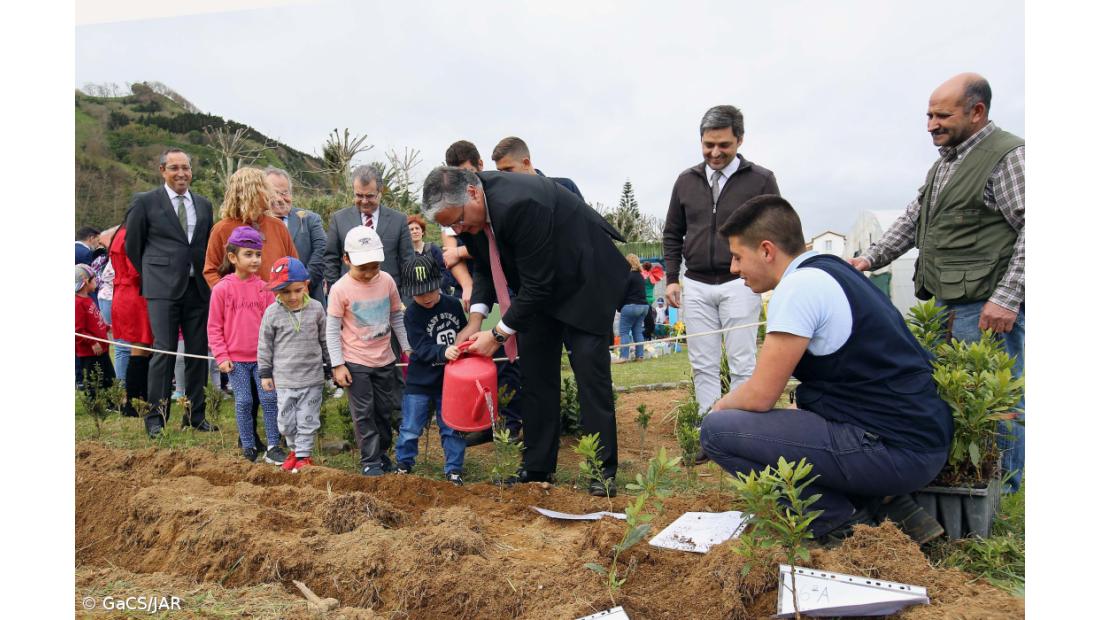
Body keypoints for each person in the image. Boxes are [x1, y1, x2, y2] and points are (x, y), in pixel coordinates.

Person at [702, 194, 951, 546]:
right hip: (919, 439)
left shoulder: (798, 289)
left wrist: (719, 407)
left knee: (718, 431)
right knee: (788, 420)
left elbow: (760, 395)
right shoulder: (832, 270)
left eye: (737, 256)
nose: (733, 268)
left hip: (897, 452)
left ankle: (839, 521)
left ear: (767, 250)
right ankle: (892, 507)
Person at [849, 73, 1025, 493]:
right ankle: (971, 484)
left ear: (977, 112)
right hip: (950, 303)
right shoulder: (946, 163)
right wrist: (869, 259)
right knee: (955, 397)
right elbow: (913, 220)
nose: (931, 124)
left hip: (986, 306)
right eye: (929, 115)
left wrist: (1007, 298)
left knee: (994, 405)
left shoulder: (1007, 157)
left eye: (942, 115)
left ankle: (1007, 493)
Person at [422, 166, 630, 495]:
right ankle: (537, 468)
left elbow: (538, 284)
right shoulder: (471, 214)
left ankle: (600, 473)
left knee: (591, 377)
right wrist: (476, 321)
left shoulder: (520, 203)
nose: (459, 229)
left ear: (473, 194)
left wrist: (499, 334)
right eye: (450, 226)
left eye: (458, 220)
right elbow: (485, 265)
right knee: (534, 375)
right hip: (541, 290)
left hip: (584, 281)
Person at [663, 105, 779, 413]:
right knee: (703, 364)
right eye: (708, 145)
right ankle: (710, 428)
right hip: (696, 284)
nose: (715, 153)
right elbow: (673, 232)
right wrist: (672, 278)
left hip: (741, 282)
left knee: (743, 362)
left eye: (723, 145)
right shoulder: (685, 181)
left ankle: (742, 430)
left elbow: (777, 231)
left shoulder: (761, 180)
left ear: (740, 140)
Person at [124, 148, 217, 437]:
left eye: (186, 168)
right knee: (163, 350)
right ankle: (156, 417)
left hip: (197, 288)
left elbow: (204, 244)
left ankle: (195, 415)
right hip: (162, 289)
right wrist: (156, 273)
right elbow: (133, 246)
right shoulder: (145, 202)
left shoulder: (204, 205)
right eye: (174, 167)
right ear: (162, 170)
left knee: (197, 352)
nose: (181, 173)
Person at [442, 141, 523, 443]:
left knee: (521, 360)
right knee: (500, 358)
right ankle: (495, 423)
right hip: (498, 298)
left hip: (527, 294)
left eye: (466, 174)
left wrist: (459, 252)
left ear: (478, 165)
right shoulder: (462, 215)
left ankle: (518, 424)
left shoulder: (504, 202)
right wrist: (476, 320)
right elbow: (484, 265)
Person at [327, 226, 412, 476]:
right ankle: (370, 460)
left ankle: (382, 453)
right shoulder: (340, 289)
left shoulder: (386, 281)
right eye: (362, 267)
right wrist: (338, 364)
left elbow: (397, 316)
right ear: (346, 260)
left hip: (385, 359)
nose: (368, 273)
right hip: (356, 362)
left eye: (374, 266)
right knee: (364, 413)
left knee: (384, 410)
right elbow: (332, 330)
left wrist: (406, 346)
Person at [207, 226, 283, 464]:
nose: (255, 259)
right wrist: (221, 356)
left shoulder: (264, 289)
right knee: (244, 401)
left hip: (262, 360)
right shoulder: (222, 289)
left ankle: (273, 445)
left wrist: (273, 356)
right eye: (248, 254)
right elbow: (214, 327)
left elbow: (273, 325)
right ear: (233, 257)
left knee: (270, 399)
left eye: (258, 254)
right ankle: (248, 445)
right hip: (236, 361)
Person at [394, 254, 469, 485]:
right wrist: (442, 351)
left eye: (430, 290)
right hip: (420, 382)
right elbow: (420, 346)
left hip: (450, 382)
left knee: (452, 427)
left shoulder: (454, 304)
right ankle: (404, 463)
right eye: (419, 293)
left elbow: (464, 332)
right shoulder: (412, 315)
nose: (426, 297)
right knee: (410, 426)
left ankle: (454, 469)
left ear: (440, 283)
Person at [258, 257, 330, 473]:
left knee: (307, 419)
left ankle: (304, 456)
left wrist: (330, 365)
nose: (292, 297)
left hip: (312, 379)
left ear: (306, 285)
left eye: (297, 290)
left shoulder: (317, 309)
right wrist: (265, 373)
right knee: (286, 421)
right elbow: (264, 345)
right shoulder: (272, 313)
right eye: (285, 292)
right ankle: (293, 451)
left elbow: (325, 339)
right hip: (285, 379)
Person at [204, 167, 298, 290]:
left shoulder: (278, 226)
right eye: (265, 188)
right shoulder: (222, 229)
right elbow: (211, 271)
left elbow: (295, 266)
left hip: (278, 305)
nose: (272, 194)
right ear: (250, 193)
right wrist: (230, 297)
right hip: (240, 306)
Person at [323, 165, 414, 292]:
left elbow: (408, 263)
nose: (364, 201)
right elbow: (331, 260)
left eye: (370, 196)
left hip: (389, 296)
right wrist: (336, 293)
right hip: (350, 297)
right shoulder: (339, 219)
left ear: (380, 192)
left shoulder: (398, 220)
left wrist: (406, 300)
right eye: (359, 195)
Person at [264, 167, 327, 306]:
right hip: (267, 301)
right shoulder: (257, 223)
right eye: (275, 192)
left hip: (308, 298)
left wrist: (303, 281)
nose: (280, 198)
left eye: (285, 192)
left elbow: (322, 250)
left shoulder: (310, 219)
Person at [109, 224, 154, 416]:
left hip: (122, 292)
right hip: (135, 294)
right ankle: (134, 403)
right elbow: (135, 269)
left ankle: (138, 399)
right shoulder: (131, 234)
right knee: (139, 350)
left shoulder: (118, 233)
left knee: (140, 350)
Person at [491, 136, 584, 200]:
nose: (503, 176)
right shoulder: (504, 201)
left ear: (526, 163)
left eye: (508, 170)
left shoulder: (566, 187)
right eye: (500, 171)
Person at [75, 264, 116, 394]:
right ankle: (95, 405)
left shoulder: (88, 299)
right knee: (94, 381)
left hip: (102, 348)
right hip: (90, 352)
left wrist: (107, 328)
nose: (96, 281)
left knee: (109, 378)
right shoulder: (77, 303)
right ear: (86, 281)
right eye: (94, 278)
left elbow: (95, 321)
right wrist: (92, 342)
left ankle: (111, 402)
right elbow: (77, 330)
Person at [407, 214, 455, 296]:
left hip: (439, 293)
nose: (415, 231)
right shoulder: (406, 254)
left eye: (417, 228)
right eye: (411, 229)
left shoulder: (433, 249)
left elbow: (445, 271)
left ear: (422, 232)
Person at [616, 254, 649, 363]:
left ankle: (623, 357)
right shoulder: (641, 276)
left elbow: (622, 293)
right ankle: (640, 356)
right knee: (637, 332)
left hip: (631, 306)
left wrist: (619, 307)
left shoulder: (628, 276)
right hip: (644, 307)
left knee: (624, 332)